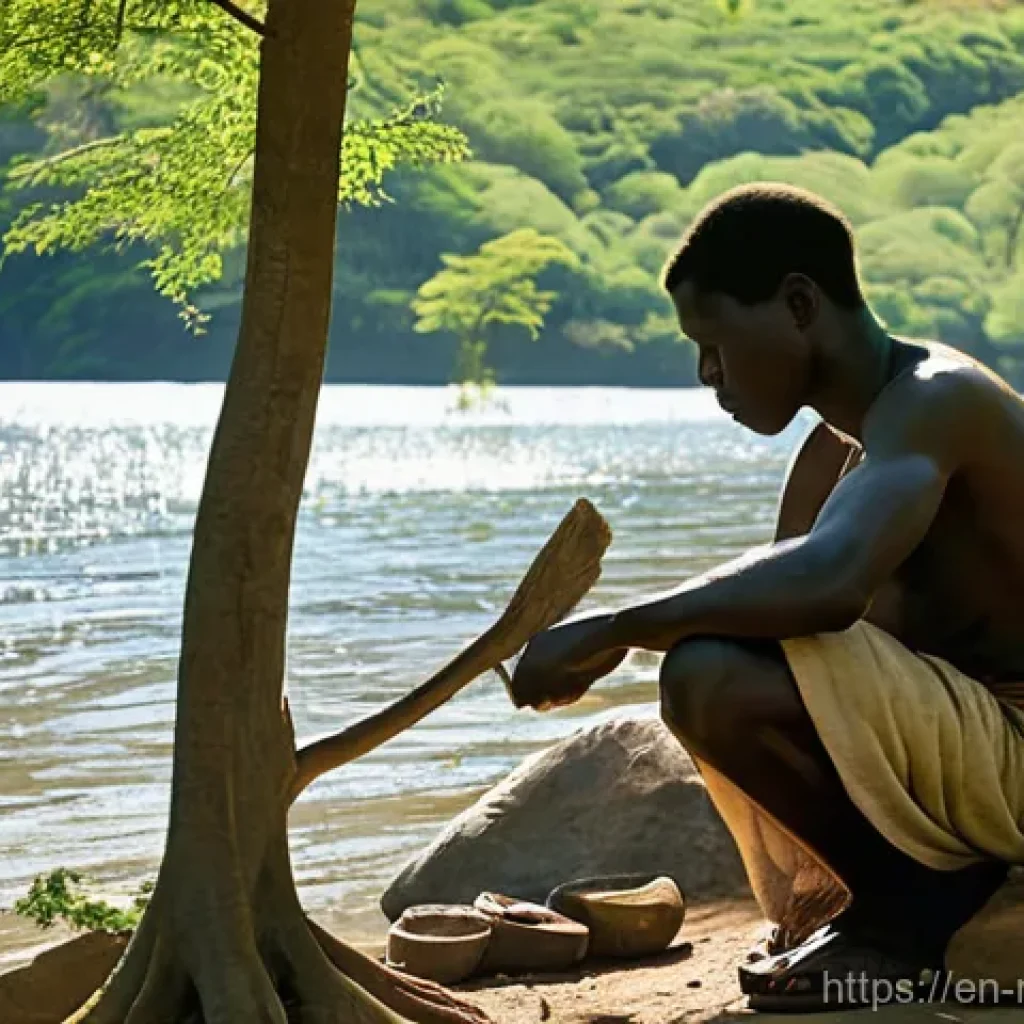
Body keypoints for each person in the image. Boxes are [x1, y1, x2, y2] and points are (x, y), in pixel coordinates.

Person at [509, 183, 1024, 1011]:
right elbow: (779, 610)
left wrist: (616, 628)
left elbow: (827, 585)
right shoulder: (832, 452)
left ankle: (911, 908)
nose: (706, 373)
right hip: (965, 757)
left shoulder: (936, 399)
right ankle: (892, 894)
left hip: (1015, 749)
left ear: (797, 304)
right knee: (727, 650)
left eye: (713, 341)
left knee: (705, 672)